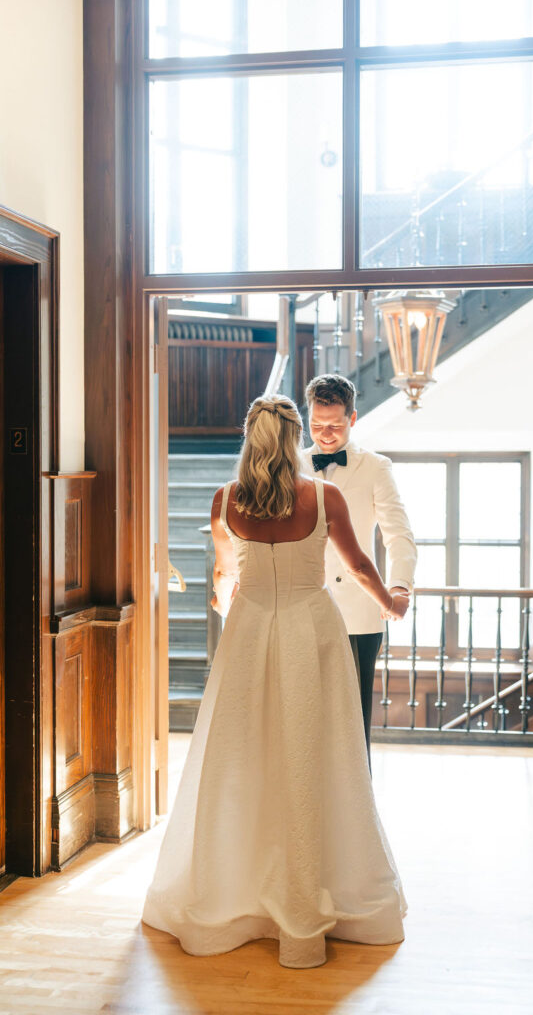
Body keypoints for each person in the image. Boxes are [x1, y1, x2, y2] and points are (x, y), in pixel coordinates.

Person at [142, 394, 406, 970]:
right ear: (292, 438)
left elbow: (223, 573)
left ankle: (237, 889)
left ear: (250, 437)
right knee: (319, 753)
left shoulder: (225, 499)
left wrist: (224, 600)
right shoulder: (323, 495)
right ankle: (313, 885)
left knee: (244, 753)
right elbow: (359, 564)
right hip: (313, 629)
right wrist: (391, 603)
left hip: (251, 629)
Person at [302, 374, 417, 768]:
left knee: (353, 720)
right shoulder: (291, 465)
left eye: (334, 425)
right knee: (303, 716)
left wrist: (399, 587)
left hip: (359, 612)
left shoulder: (375, 467)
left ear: (353, 418)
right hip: (302, 608)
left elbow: (398, 534)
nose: (326, 434)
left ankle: (355, 807)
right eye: (317, 425)